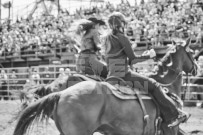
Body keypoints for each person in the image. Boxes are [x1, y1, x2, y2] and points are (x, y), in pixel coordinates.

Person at [103, 12, 190, 127]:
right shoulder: (122, 38)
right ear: (121, 23)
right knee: (154, 85)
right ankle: (175, 114)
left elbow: (121, 60)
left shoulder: (106, 39)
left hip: (111, 77)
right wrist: (149, 55)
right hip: (124, 75)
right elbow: (133, 59)